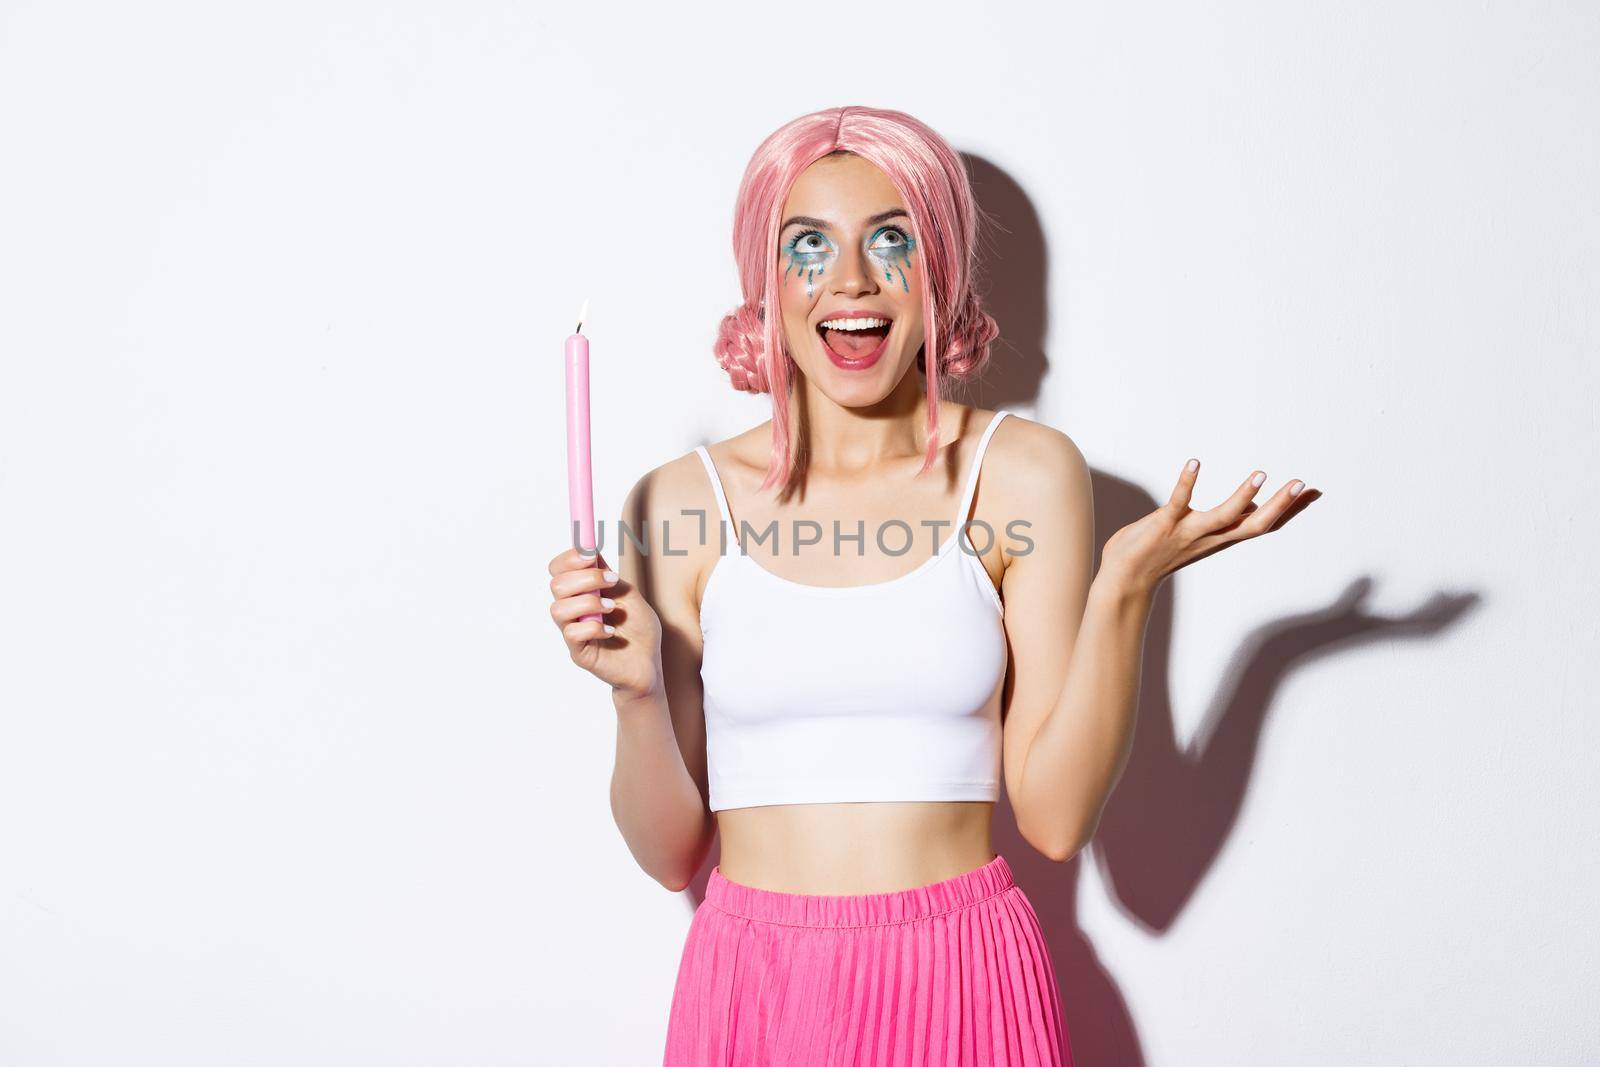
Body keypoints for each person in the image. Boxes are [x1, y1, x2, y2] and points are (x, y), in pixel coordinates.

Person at [547, 105, 1314, 1066]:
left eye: (892, 239)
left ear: (939, 267)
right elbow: (669, 855)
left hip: (961, 974)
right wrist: (635, 693)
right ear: (765, 281)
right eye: (809, 245)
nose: (854, 281)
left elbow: (1057, 816)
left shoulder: (1023, 472)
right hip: (754, 983)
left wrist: (1123, 588)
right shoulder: (677, 501)